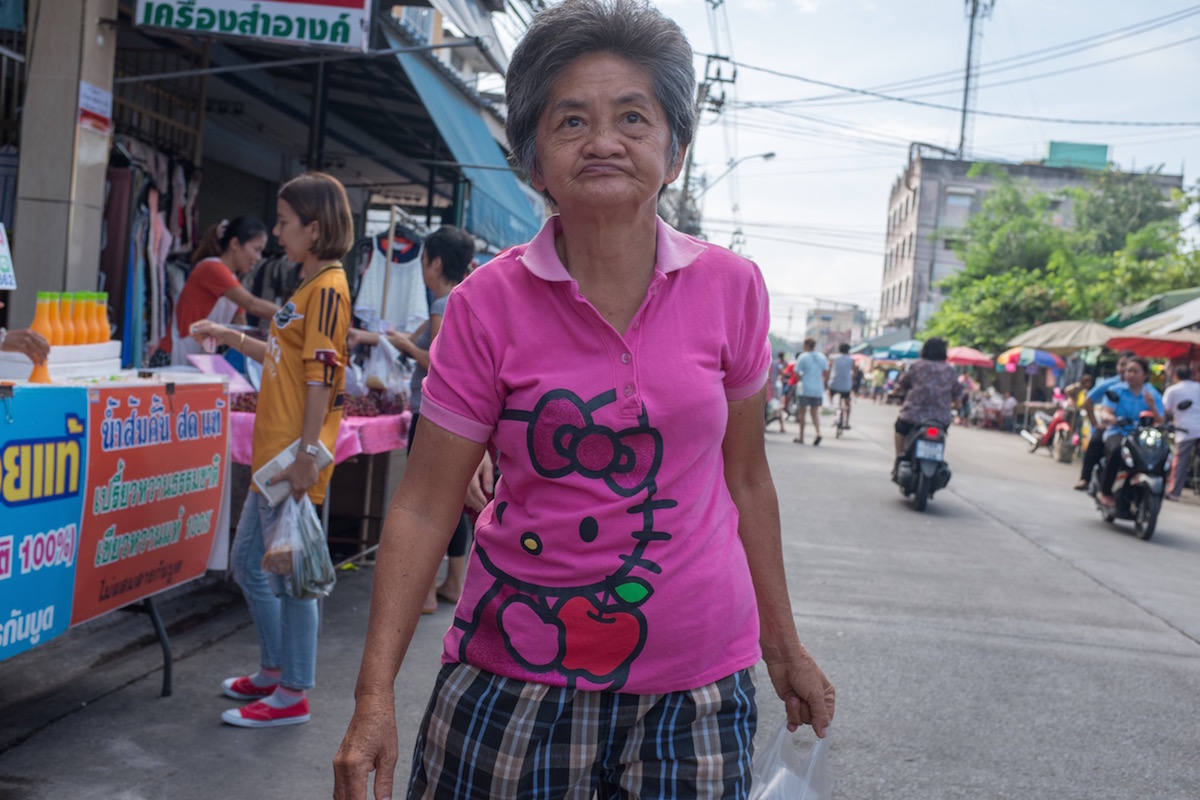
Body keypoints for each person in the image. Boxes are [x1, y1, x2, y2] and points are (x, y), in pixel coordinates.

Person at [333, 3, 834, 798]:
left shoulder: (733, 289)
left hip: (697, 691)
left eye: (633, 117)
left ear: (674, 153)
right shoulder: (483, 306)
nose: (604, 141)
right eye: (572, 121)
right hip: (513, 675)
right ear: (535, 163)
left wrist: (784, 645)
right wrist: (373, 698)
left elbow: (746, 479)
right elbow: (425, 506)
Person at [193, 173, 354, 728]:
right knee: (250, 566)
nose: (278, 233)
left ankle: (292, 692)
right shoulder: (310, 284)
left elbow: (321, 376)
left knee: (291, 579)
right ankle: (273, 672)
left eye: (284, 223)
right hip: (275, 457)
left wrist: (307, 454)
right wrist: (233, 337)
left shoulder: (327, 289)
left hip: (289, 459)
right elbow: (288, 358)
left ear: (315, 227)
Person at [347, 225, 482, 611]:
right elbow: (406, 338)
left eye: (424, 259)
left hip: (431, 413)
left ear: (435, 262)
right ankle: (452, 582)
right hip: (449, 415)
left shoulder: (441, 305)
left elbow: (436, 360)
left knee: (427, 504)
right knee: (449, 500)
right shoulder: (457, 299)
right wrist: (370, 337)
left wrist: (406, 345)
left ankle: (425, 592)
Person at [154, 216, 280, 366]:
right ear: (235, 244)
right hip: (172, 355)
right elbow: (253, 305)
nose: (259, 258)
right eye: (256, 249)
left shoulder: (233, 282)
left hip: (195, 359)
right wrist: (289, 316)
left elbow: (241, 324)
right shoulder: (212, 268)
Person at [1096, 356, 1163, 508]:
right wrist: (1110, 418)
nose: (1130, 375)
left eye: (1135, 371)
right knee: (1118, 449)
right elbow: (1105, 411)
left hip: (1142, 437)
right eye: (1128, 371)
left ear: (1145, 375)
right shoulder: (1116, 390)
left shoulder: (1152, 395)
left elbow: (1160, 421)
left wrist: (1152, 406)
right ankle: (1105, 491)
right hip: (1117, 432)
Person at [893, 337, 962, 459]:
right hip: (941, 419)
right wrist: (956, 405)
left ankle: (899, 459)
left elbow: (901, 385)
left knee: (900, 428)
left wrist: (894, 392)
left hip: (914, 416)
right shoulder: (950, 371)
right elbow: (958, 395)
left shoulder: (917, 366)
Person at [1074, 352, 1134, 491]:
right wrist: (1096, 423)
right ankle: (1085, 478)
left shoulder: (1145, 390)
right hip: (1111, 428)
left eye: (1129, 366)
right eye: (1122, 365)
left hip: (1133, 431)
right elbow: (1088, 401)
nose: (1125, 369)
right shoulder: (1111, 385)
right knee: (1096, 442)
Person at [1162, 364, 1200, 500]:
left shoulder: (1172, 390)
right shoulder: (1198, 387)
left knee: (1180, 462)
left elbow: (1164, 409)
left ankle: (1174, 492)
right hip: (1193, 428)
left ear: (1175, 376)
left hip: (1185, 430)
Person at [793, 338, 828, 445]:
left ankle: (801, 437)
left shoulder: (803, 356)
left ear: (806, 345)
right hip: (818, 389)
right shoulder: (822, 357)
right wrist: (823, 382)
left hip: (805, 388)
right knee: (814, 413)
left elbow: (796, 372)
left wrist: (801, 379)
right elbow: (826, 371)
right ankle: (818, 433)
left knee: (802, 413)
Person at [827, 342, 854, 429]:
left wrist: (826, 380)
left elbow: (828, 370)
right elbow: (855, 372)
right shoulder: (851, 359)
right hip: (846, 385)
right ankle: (846, 422)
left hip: (834, 383)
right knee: (847, 403)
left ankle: (831, 406)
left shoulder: (833, 357)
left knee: (829, 395)